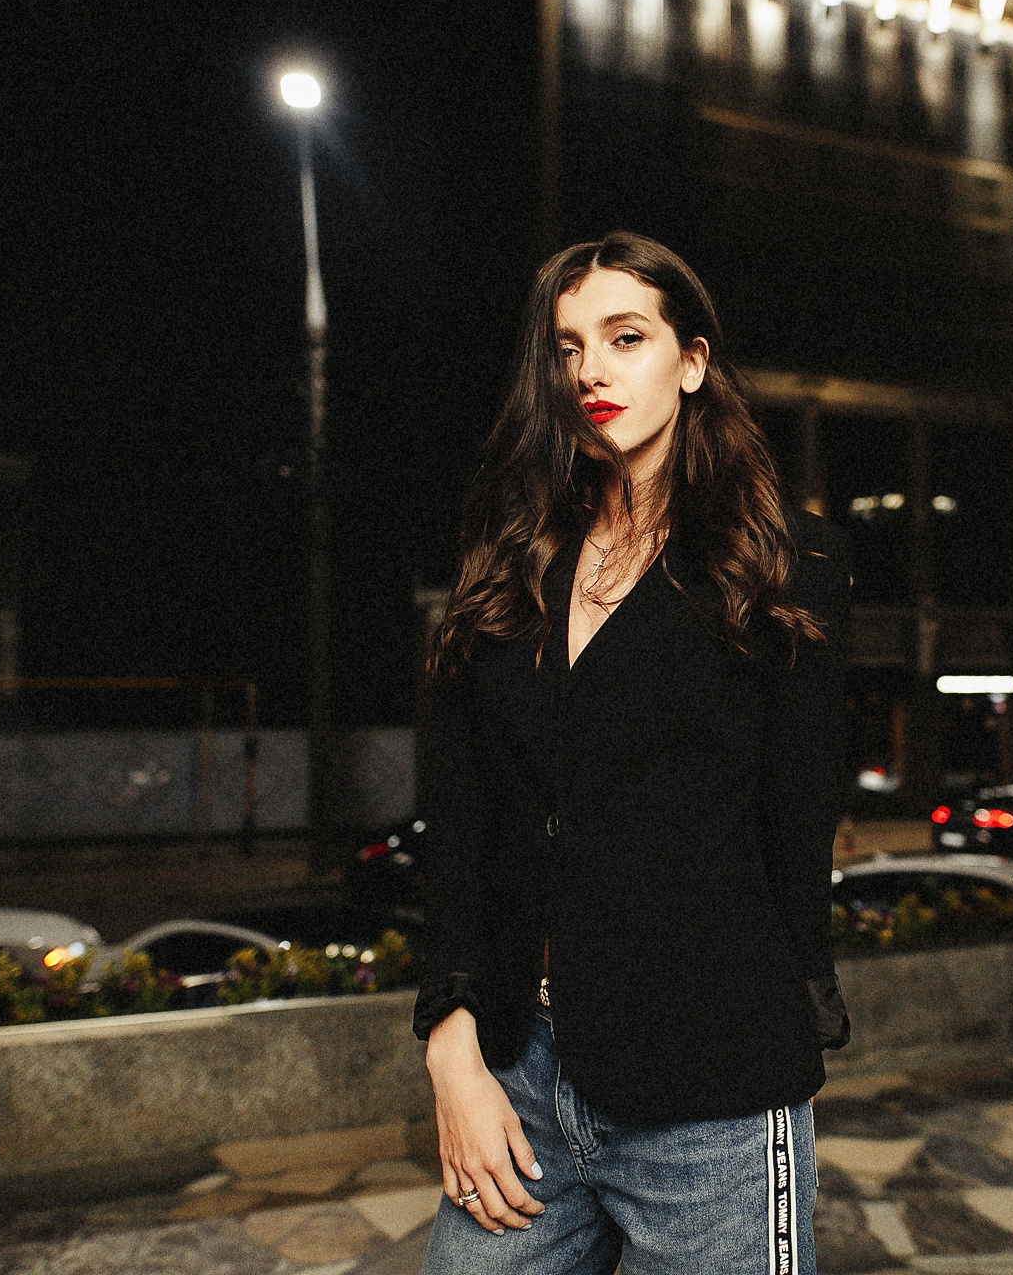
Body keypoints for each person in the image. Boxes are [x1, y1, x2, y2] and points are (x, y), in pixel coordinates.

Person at [415, 231, 851, 1274]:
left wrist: (777, 1034)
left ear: (691, 362)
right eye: (568, 348)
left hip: (712, 1094)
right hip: (520, 1074)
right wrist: (451, 1047)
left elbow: (797, 827)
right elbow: (463, 826)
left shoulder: (781, 562)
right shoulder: (509, 562)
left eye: (625, 338)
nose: (590, 372)